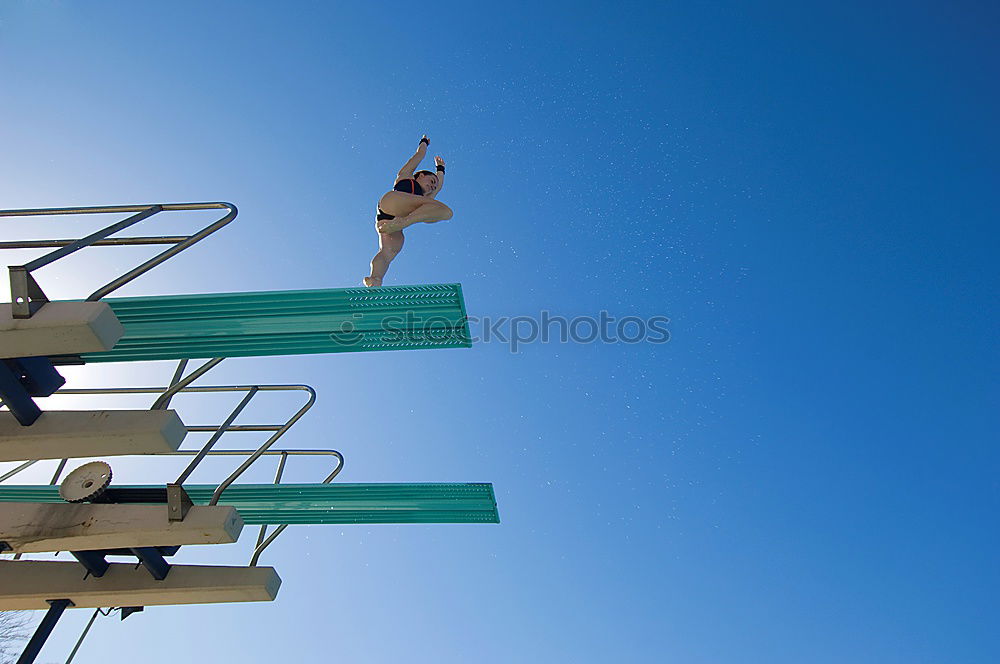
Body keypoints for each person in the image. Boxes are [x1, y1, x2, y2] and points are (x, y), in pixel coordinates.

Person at [364, 135, 452, 287]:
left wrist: (441, 171)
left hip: (388, 221)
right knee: (435, 204)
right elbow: (419, 155)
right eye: (431, 181)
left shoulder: (424, 198)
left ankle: (375, 279)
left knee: (388, 253)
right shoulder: (406, 175)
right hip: (392, 202)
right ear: (420, 175)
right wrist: (424, 143)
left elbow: (439, 187)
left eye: (433, 186)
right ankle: (402, 223)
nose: (432, 187)